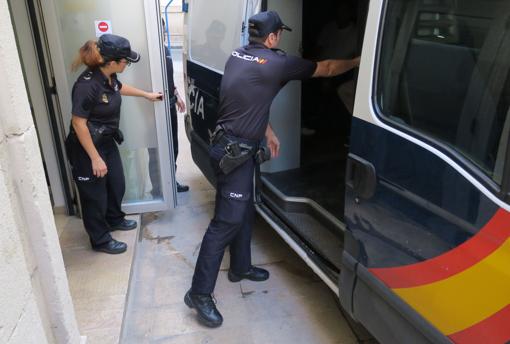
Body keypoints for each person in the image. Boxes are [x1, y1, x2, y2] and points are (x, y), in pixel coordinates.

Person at [184, 11, 360, 327]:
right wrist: (360, 61)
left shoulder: (237, 55)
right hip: (234, 153)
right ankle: (199, 293)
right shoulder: (278, 63)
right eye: (279, 34)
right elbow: (329, 68)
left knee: (245, 208)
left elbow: (249, 98)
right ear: (274, 37)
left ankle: (241, 267)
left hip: (232, 145)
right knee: (225, 222)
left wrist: (267, 130)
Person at [65, 34, 162, 254]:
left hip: (106, 141)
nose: (127, 63)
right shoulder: (86, 86)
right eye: (125, 60)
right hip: (86, 148)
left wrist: (146, 95)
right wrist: (95, 158)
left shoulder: (108, 77)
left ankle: (114, 219)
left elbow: (119, 88)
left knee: (116, 183)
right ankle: (100, 240)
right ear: (112, 62)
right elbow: (78, 124)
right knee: (94, 196)